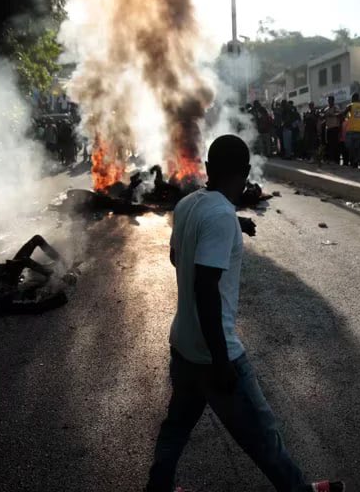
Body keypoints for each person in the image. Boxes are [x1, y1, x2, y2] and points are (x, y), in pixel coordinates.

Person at [146, 135, 344, 492]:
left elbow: (179, 257)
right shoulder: (221, 216)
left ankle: (157, 488)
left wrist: (234, 225)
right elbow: (206, 288)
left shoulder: (188, 204)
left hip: (183, 345)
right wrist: (221, 362)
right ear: (247, 172)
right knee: (263, 438)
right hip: (213, 353)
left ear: (208, 169)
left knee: (175, 427)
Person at [343, 93, 360, 168]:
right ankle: (357, 161)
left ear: (353, 98)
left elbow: (344, 113)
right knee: (357, 147)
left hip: (351, 130)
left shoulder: (351, 105)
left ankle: (353, 162)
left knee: (350, 147)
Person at [323, 96, 342, 164]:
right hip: (328, 128)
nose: (329, 102)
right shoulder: (326, 109)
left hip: (335, 128)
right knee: (329, 144)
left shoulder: (336, 108)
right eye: (328, 100)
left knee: (335, 144)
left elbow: (339, 114)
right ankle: (330, 159)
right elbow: (324, 117)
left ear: (333, 101)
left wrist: (332, 114)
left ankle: (336, 160)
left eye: (330, 100)